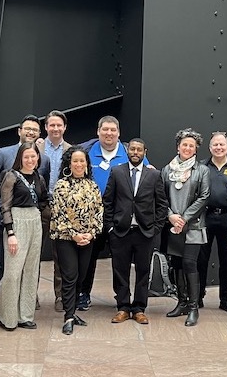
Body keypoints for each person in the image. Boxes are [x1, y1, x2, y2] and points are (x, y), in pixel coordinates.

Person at [78, 115, 148, 311]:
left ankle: (122, 298)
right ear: (98, 132)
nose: (109, 133)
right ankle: (83, 293)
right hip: (92, 216)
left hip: (122, 217)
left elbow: (146, 177)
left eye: (112, 130)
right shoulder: (87, 152)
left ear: (119, 133)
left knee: (121, 260)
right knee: (88, 257)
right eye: (105, 129)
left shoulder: (129, 152)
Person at [104, 138, 169, 325]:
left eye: (139, 150)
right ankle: (123, 307)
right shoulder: (117, 172)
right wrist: (110, 227)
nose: (135, 152)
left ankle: (139, 308)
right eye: (132, 149)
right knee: (120, 271)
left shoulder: (154, 175)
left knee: (143, 271)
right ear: (127, 151)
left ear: (144, 152)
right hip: (120, 231)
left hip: (145, 232)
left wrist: (156, 228)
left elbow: (162, 204)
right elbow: (108, 201)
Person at [0, 114, 50, 294]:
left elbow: (41, 188)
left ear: (39, 133)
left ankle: (27, 298)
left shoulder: (43, 159)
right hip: (5, 219)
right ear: (19, 131)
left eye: (35, 130)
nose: (31, 132)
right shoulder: (3, 153)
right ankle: (4, 301)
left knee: (30, 261)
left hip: (30, 220)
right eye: (27, 129)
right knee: (4, 262)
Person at [50, 146, 103, 335]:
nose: (79, 164)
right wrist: (74, 234)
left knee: (81, 276)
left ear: (87, 164)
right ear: (69, 164)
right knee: (70, 276)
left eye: (82, 161)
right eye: (75, 161)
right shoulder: (61, 185)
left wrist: (91, 233)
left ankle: (72, 311)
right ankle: (69, 316)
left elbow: (99, 213)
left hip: (87, 239)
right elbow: (58, 214)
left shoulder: (93, 186)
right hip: (66, 238)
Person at [0, 142, 49, 331]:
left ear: (37, 158)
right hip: (16, 223)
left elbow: (43, 202)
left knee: (31, 271)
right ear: (20, 158)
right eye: (26, 157)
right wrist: (10, 232)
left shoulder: (39, 177)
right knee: (12, 272)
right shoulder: (11, 176)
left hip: (35, 222)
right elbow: (5, 206)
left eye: (33, 156)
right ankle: (7, 316)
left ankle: (25, 315)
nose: (30, 160)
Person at [162, 128, 210, 327]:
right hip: (173, 225)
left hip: (193, 226)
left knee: (190, 264)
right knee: (177, 264)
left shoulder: (202, 170)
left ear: (196, 149)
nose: (187, 148)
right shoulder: (167, 169)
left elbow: (204, 196)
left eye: (191, 145)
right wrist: (171, 216)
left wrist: (184, 218)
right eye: (184, 145)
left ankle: (193, 307)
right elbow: (161, 196)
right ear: (178, 147)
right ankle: (181, 302)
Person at [198, 131, 227, 313]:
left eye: (222, 144)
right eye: (215, 145)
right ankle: (198, 296)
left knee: (226, 261)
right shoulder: (201, 167)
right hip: (205, 218)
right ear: (210, 148)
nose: (218, 147)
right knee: (202, 260)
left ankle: (224, 299)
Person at [36, 110, 71, 312]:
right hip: (40, 206)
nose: (56, 128)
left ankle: (60, 296)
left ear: (64, 127)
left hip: (62, 208)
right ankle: (32, 295)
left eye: (59, 125)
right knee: (35, 254)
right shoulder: (36, 148)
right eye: (52, 125)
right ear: (46, 127)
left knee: (61, 256)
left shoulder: (71, 149)